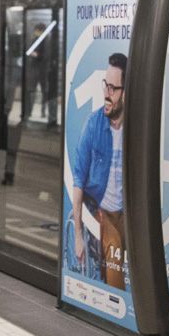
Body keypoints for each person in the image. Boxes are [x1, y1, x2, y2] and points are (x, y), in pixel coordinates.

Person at [69, 52, 127, 290]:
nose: (106, 93)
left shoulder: (136, 128)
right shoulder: (94, 124)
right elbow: (78, 178)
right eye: (106, 85)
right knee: (114, 257)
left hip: (126, 212)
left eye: (113, 88)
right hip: (100, 209)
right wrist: (78, 235)